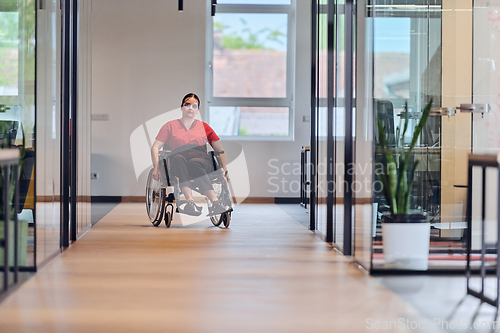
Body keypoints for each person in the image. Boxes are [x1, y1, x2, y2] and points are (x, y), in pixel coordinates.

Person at [150, 93, 230, 216]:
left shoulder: (204, 127)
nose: (190, 108)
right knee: (177, 158)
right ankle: (190, 202)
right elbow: (155, 147)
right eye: (187, 104)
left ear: (197, 110)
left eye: (194, 106)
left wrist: (225, 170)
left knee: (194, 162)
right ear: (182, 107)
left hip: (200, 158)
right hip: (178, 157)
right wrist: (156, 168)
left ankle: (215, 201)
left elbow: (220, 150)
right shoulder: (170, 126)